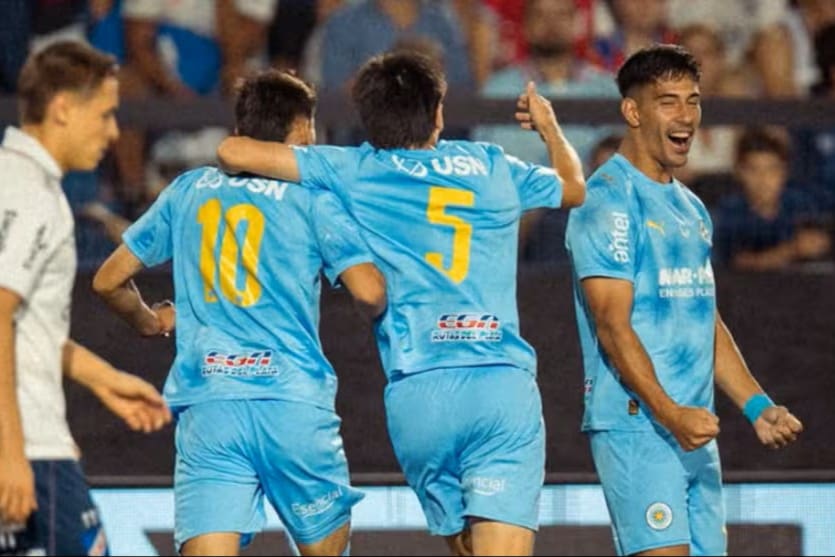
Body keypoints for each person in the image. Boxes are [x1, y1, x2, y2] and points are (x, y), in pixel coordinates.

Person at [216, 51, 587, 556]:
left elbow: (233, 152)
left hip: (417, 395)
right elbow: (574, 188)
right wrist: (549, 129)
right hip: (497, 386)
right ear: (438, 114)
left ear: (369, 121)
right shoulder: (491, 165)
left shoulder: (354, 168)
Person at [92, 69, 386, 556]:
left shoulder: (189, 191)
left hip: (211, 407)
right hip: (292, 403)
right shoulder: (313, 200)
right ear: (301, 132)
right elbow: (369, 291)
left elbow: (107, 280)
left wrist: (152, 320)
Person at [564, 45, 804, 556]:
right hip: (638, 425)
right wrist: (670, 413)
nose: (687, 116)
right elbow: (611, 326)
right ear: (632, 111)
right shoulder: (606, 200)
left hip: (694, 429)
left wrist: (756, 405)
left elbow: (701, 318)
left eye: (693, 101)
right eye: (668, 101)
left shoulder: (691, 207)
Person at [0, 40, 172, 556]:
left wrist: (103, 380)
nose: (114, 132)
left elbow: (24, 328)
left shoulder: (15, 179)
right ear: (62, 109)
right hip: (31, 446)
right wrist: (11, 452)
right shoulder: (29, 193)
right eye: (104, 114)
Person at [714, 127, 831, 270]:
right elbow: (739, 264)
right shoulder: (730, 211)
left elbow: (820, 243)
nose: (763, 179)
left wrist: (818, 243)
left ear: (785, 172)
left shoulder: (801, 203)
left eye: (772, 169)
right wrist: (793, 250)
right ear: (739, 172)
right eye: (753, 170)